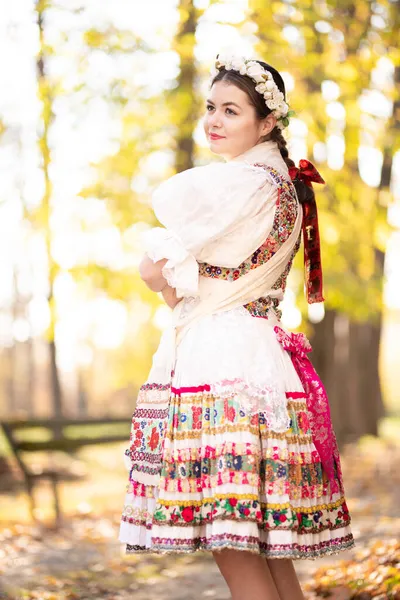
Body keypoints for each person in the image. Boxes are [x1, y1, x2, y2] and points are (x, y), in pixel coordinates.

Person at [118, 52, 355, 600]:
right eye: (210, 108)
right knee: (262, 550)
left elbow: (157, 270)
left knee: (236, 547)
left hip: (221, 360)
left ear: (266, 122)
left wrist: (167, 276)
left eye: (231, 110)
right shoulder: (283, 186)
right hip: (262, 356)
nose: (214, 121)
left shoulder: (241, 184)